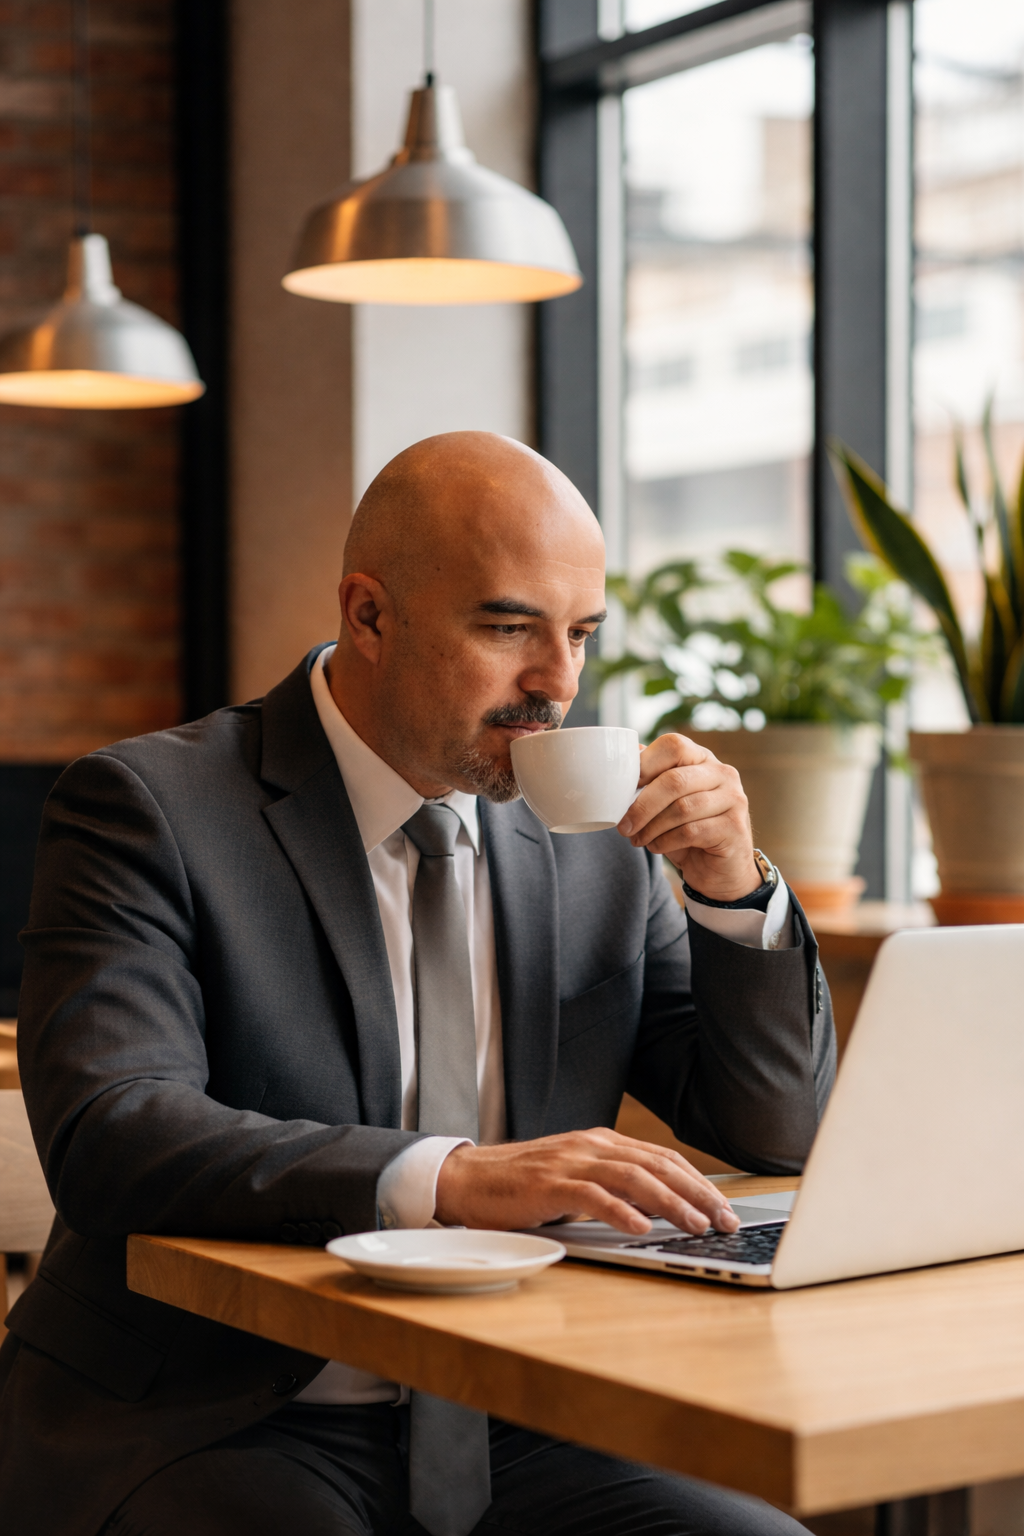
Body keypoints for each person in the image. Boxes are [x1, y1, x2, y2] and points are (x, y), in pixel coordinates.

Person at [0, 432, 835, 1536]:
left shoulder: (594, 846)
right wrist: (448, 1176)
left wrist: (734, 885)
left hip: (521, 1416)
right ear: (369, 614)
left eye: (580, 633)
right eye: (506, 628)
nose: (558, 682)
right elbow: (116, 1133)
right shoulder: (149, 807)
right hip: (215, 1413)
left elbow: (771, 1128)